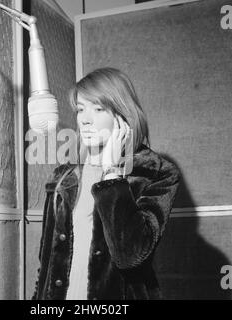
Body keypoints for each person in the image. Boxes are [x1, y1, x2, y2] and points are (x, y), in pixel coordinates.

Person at [31, 67, 181, 300]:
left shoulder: (157, 173)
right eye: (81, 109)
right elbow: (47, 262)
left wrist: (112, 174)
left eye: (99, 109)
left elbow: (131, 256)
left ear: (123, 115)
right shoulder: (63, 176)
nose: (85, 120)